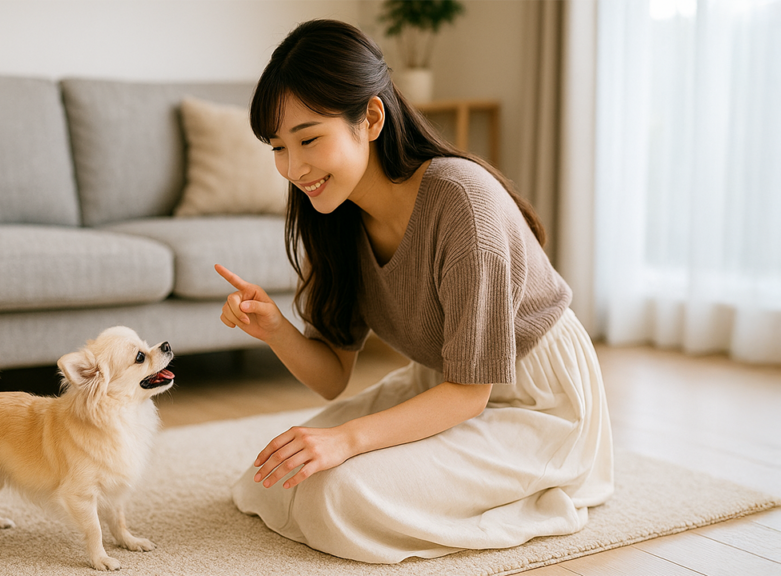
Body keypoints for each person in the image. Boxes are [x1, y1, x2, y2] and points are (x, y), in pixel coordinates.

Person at [215, 19, 613, 564]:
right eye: (278, 147)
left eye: (308, 139)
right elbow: (332, 377)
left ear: (371, 118)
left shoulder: (462, 205)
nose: (293, 168)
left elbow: (471, 392)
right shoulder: (335, 217)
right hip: (444, 385)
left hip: (535, 398)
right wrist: (277, 330)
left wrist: (350, 440)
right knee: (273, 476)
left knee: (337, 491)